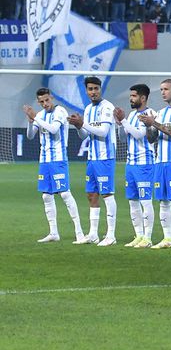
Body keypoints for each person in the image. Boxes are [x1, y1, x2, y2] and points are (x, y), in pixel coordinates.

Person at [24, 88, 85, 243]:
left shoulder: (60, 111)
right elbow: (30, 136)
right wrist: (31, 122)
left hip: (58, 159)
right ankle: (53, 233)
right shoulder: (40, 115)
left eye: (47, 100)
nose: (45, 104)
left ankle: (79, 233)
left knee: (65, 193)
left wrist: (35, 118)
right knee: (46, 196)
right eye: (41, 102)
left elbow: (53, 129)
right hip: (44, 160)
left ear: (51, 97)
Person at [67, 75, 118, 245]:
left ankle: (111, 235)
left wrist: (83, 123)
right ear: (86, 91)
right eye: (90, 89)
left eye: (96, 88)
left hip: (105, 158)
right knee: (91, 194)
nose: (93, 92)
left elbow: (103, 132)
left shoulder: (107, 107)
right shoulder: (88, 109)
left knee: (107, 194)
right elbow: (85, 135)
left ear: (100, 89)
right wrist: (78, 126)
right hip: (92, 158)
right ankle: (93, 234)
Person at [143, 78, 171, 248]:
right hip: (160, 162)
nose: (163, 92)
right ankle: (167, 239)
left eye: (166, 89)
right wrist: (148, 126)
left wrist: (153, 122)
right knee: (163, 201)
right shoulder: (160, 113)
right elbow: (151, 139)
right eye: (161, 89)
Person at [116, 83, 157, 247]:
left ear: (143, 98)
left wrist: (124, 121)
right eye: (130, 96)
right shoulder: (132, 115)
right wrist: (120, 124)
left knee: (145, 201)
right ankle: (138, 235)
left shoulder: (150, 114)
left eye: (134, 96)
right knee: (133, 201)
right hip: (131, 164)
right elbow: (123, 138)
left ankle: (147, 237)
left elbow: (141, 135)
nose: (131, 99)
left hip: (145, 164)